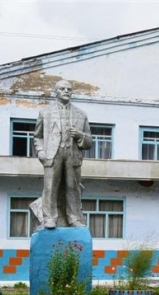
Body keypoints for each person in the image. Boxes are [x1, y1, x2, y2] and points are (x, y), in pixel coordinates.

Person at [34, 80, 93, 229]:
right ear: (56, 91)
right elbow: (38, 136)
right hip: (52, 154)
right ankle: (50, 218)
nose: (66, 91)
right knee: (50, 187)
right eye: (62, 89)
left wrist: (80, 135)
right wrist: (41, 152)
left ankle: (74, 218)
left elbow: (89, 142)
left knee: (73, 187)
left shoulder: (81, 114)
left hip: (73, 155)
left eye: (69, 89)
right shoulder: (45, 112)